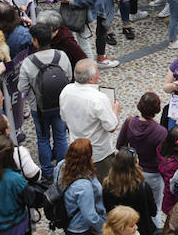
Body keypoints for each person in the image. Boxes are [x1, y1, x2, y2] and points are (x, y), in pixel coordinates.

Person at [17, 23, 72, 182]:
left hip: (39, 108)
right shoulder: (61, 56)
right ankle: (62, 169)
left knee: (43, 138)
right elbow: (68, 77)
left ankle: (47, 171)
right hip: (60, 104)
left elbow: (22, 87)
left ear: (35, 41)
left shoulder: (28, 62)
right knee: (61, 135)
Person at [59, 59, 122, 180]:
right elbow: (112, 127)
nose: (99, 75)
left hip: (76, 148)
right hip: (98, 154)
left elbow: (64, 118)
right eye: (98, 72)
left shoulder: (66, 91)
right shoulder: (99, 98)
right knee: (103, 184)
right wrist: (115, 110)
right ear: (91, 79)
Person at [116, 91, 166, 220]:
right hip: (152, 174)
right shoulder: (161, 132)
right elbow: (163, 157)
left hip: (131, 170)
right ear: (157, 109)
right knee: (155, 208)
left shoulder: (129, 122)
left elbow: (119, 145)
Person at [54, 138, 107, 235]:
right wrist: (103, 228)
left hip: (67, 219)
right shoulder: (83, 186)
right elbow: (90, 216)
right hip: (81, 228)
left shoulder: (60, 166)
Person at [101, 147, 156, 235]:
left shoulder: (107, 186)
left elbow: (108, 209)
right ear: (135, 164)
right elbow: (153, 211)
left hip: (120, 228)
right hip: (144, 228)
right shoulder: (143, 187)